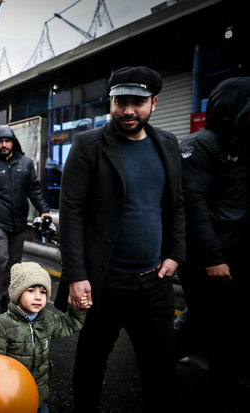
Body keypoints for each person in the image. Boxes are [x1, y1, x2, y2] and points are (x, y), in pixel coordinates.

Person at [56, 66, 185, 412]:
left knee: (161, 371)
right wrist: (77, 275)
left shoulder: (168, 144)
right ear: (110, 101)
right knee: (91, 367)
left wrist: (175, 253)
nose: (129, 110)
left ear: (154, 103)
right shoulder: (88, 145)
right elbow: (71, 212)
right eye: (121, 101)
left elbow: (176, 204)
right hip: (104, 283)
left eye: (138, 102)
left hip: (155, 283)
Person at [177, 77, 250, 409]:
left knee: (220, 326)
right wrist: (212, 257)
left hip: (237, 255)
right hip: (209, 260)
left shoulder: (242, 144)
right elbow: (193, 207)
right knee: (217, 327)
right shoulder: (200, 145)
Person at [0, 124, 51, 316]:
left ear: (13, 142)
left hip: (19, 221)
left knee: (14, 264)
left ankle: (9, 296)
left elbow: (34, 190)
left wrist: (45, 211)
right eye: (0, 142)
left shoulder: (26, 163)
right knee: (1, 258)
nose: (4, 145)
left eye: (7, 141)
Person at [0, 262, 88, 413]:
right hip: (13, 395)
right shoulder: (1, 325)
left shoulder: (47, 319)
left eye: (43, 292)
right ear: (17, 293)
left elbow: (70, 324)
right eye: (31, 290)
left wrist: (78, 308)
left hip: (39, 394)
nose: (38, 297)